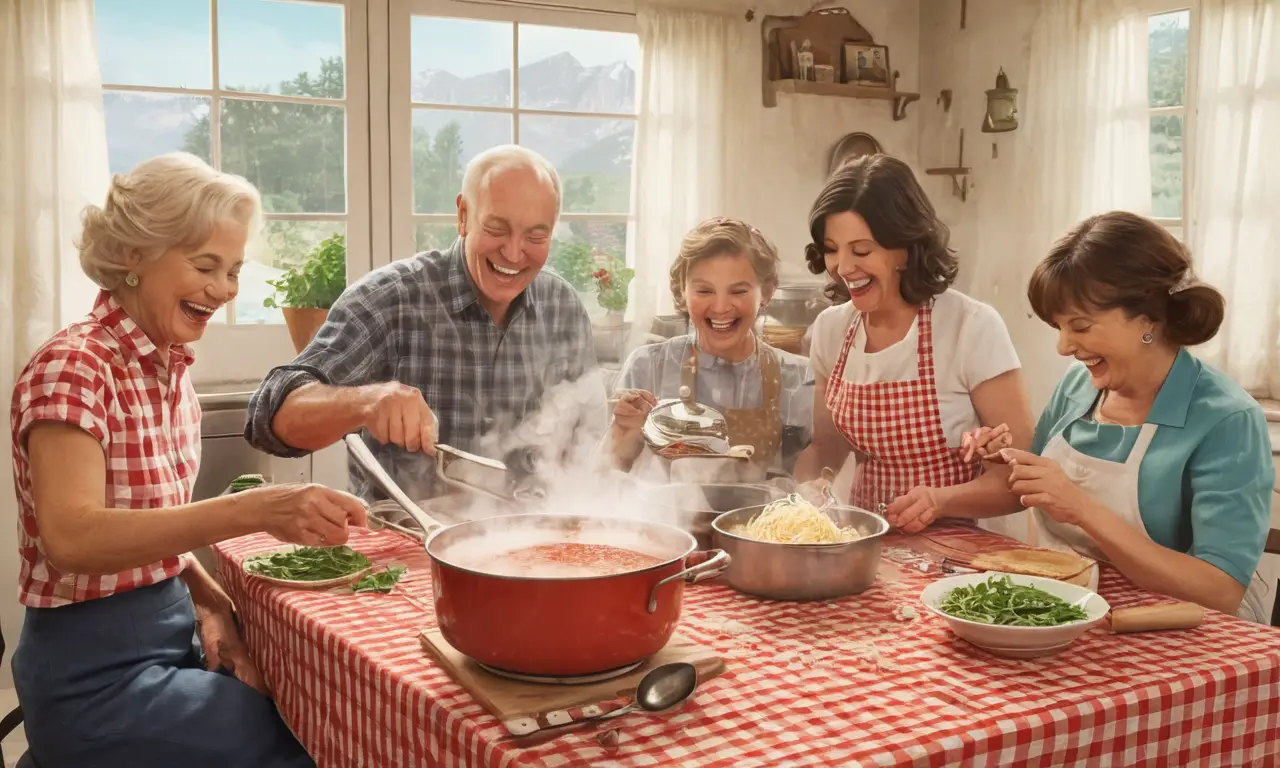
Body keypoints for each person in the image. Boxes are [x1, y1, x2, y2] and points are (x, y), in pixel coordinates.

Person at [9, 153, 368, 767]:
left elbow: (153, 537)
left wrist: (210, 602)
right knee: (313, 743)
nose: (225, 290)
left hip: (164, 643)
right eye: (206, 266)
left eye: (233, 271)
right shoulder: (74, 366)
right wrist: (252, 510)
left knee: (316, 708)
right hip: (91, 680)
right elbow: (71, 538)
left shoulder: (170, 376)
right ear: (134, 255)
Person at [245, 145, 602, 501]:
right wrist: (367, 401)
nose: (512, 253)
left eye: (536, 237)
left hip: (532, 541)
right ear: (463, 215)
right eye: (496, 228)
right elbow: (269, 420)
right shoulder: (390, 299)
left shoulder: (563, 307)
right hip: (407, 544)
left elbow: (586, 444)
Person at [977, 212, 1271, 621]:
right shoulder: (1079, 385)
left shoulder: (1227, 419)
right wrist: (1010, 461)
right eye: (1058, 327)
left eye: (1080, 326)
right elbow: (1046, 488)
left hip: (1188, 633)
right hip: (1079, 613)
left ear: (1147, 319)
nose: (1064, 347)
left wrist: (1081, 508)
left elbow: (1220, 590)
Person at [793, 154, 1034, 538]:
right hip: (871, 544)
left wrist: (941, 501)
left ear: (904, 249)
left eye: (861, 250)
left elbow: (1018, 478)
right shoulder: (831, 330)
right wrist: (809, 488)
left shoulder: (969, 327)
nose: (842, 266)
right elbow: (825, 449)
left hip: (966, 550)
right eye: (832, 249)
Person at [609, 218, 814, 481]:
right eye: (704, 290)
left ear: (766, 292)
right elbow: (605, 479)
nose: (720, 307)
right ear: (681, 292)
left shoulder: (797, 377)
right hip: (666, 521)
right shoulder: (647, 367)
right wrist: (621, 437)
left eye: (738, 291)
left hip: (758, 521)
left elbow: (805, 481)